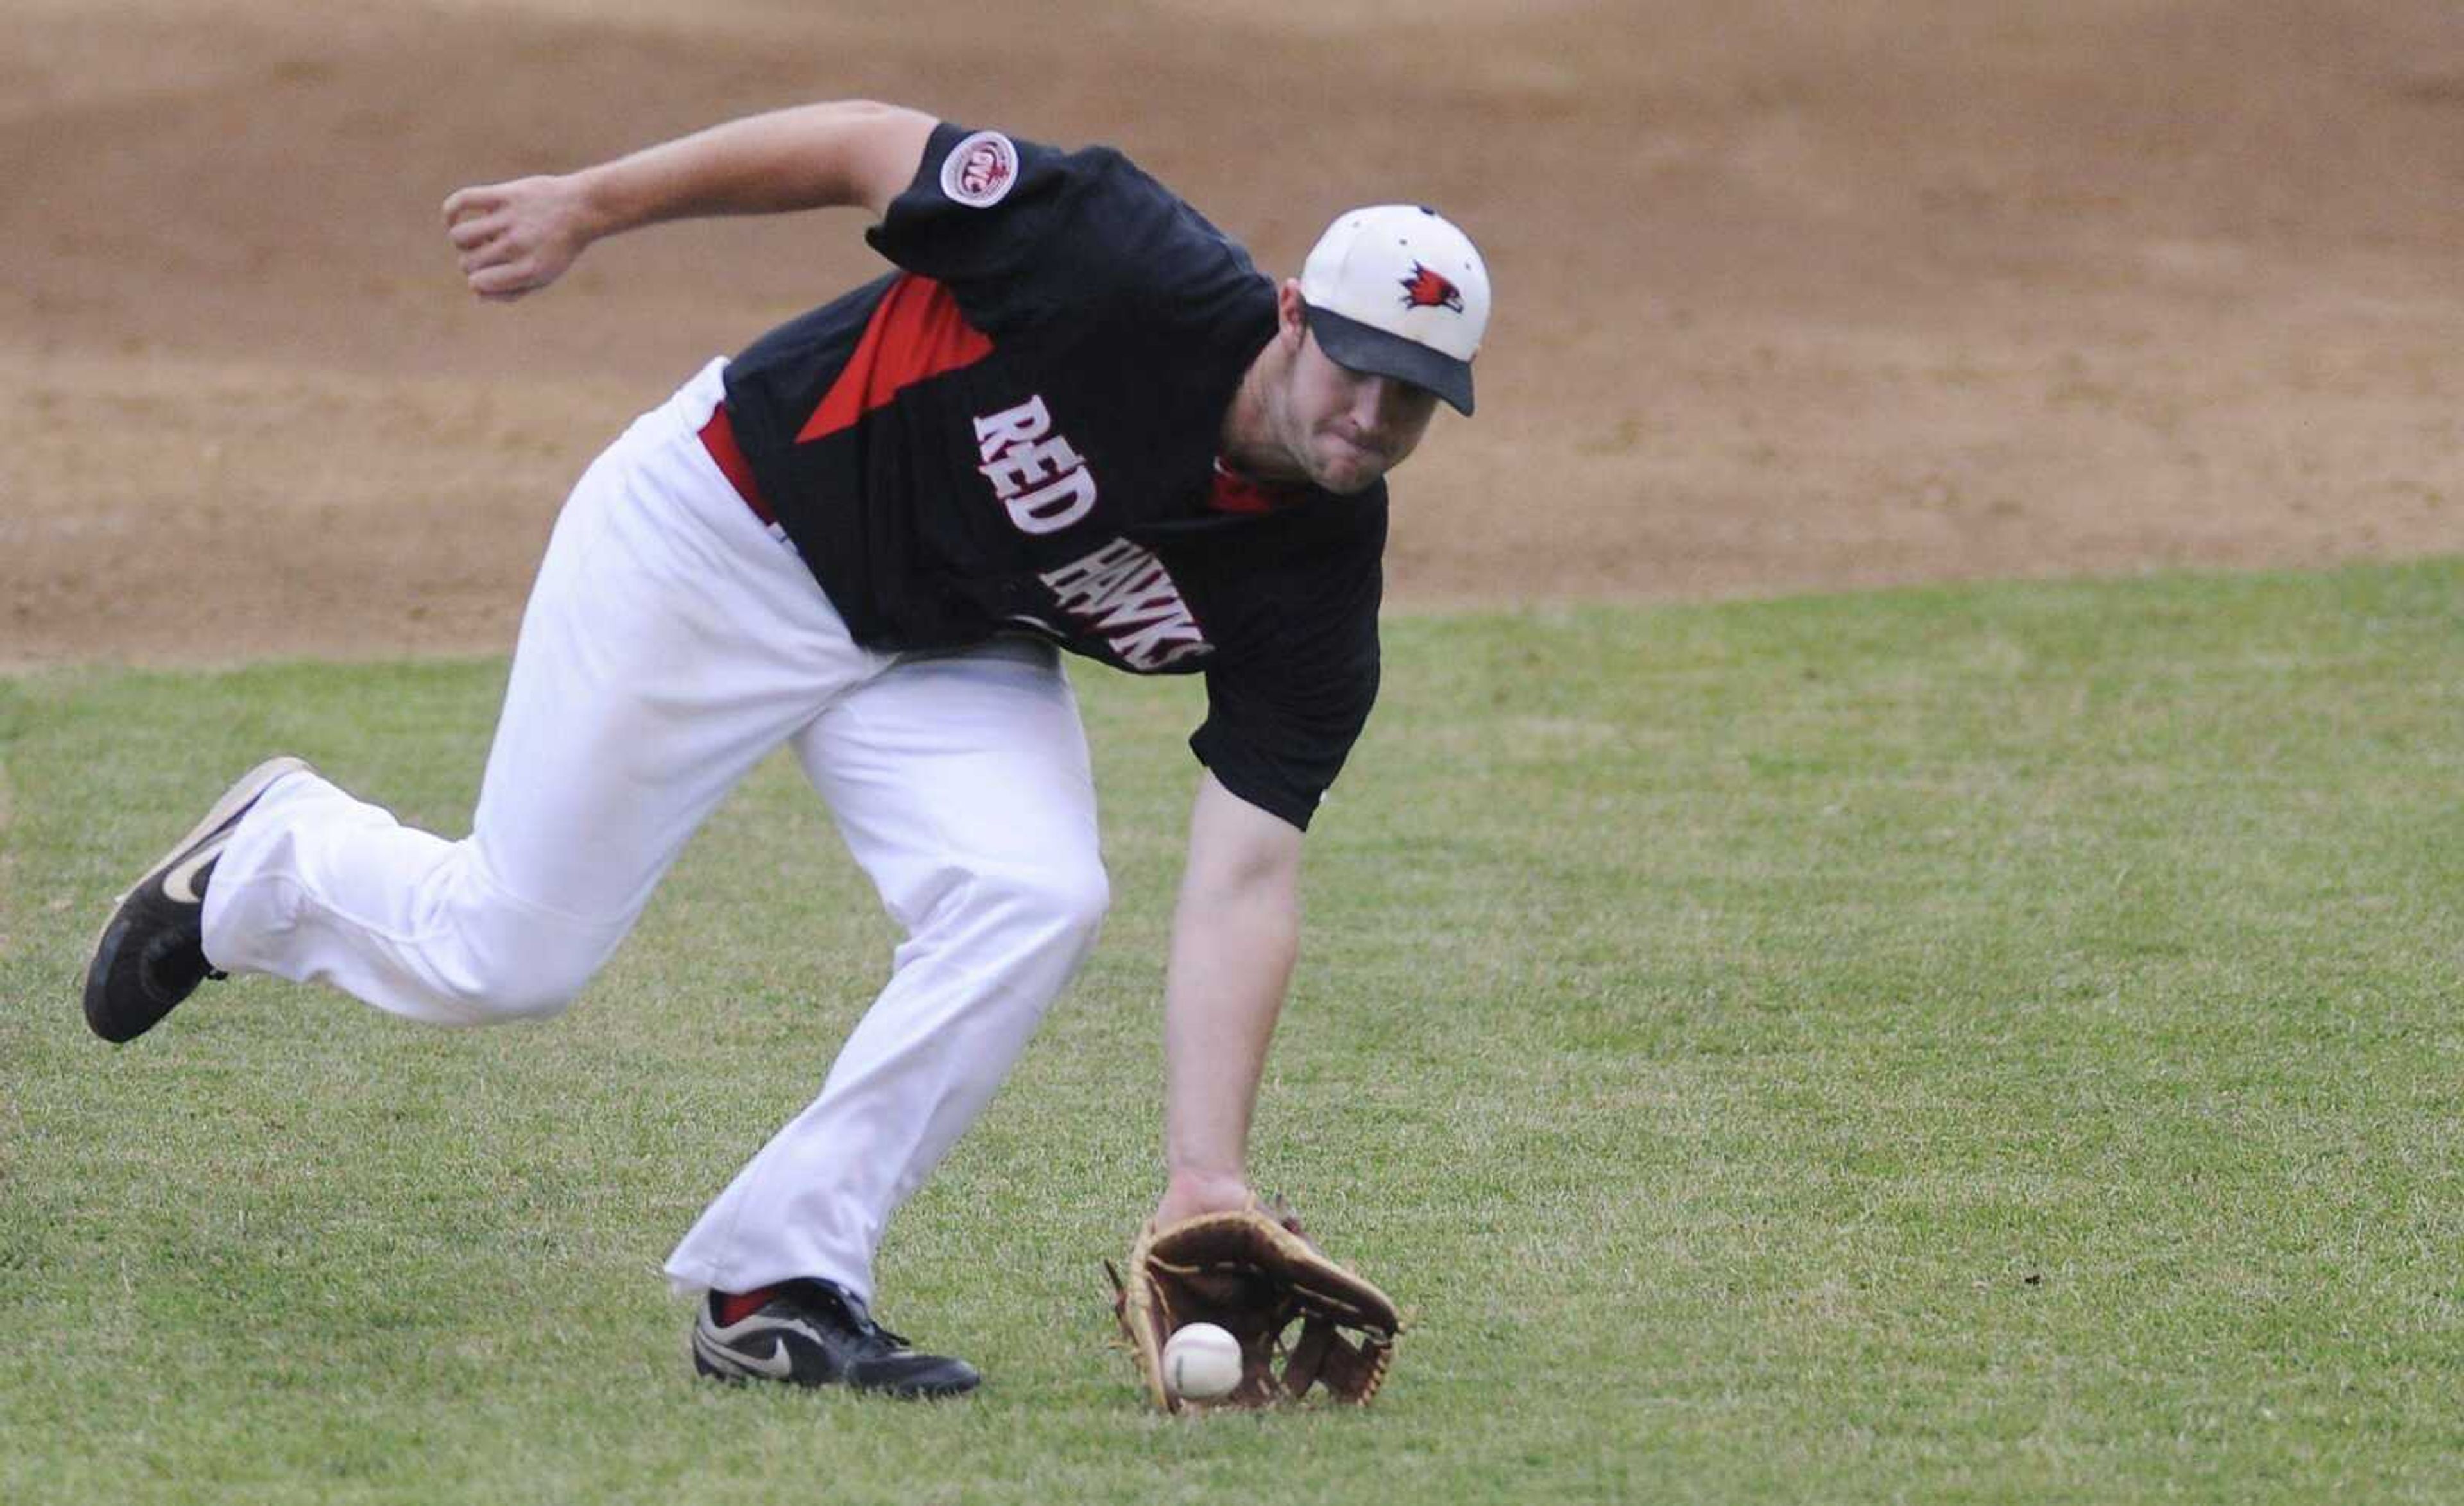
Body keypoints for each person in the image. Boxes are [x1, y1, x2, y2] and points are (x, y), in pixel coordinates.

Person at [81, 100, 1491, 1399]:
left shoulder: (1315, 590)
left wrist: (1207, 1174)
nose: (1370, 420)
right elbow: (865, 144)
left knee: (1037, 891)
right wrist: (592, 202)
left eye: (1413, 399)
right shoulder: (1119, 261)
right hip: (726, 527)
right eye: (1357, 370)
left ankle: (780, 1278)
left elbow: (1246, 878)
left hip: (941, 637)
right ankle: (277, 859)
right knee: (503, 955)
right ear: (1297, 316)